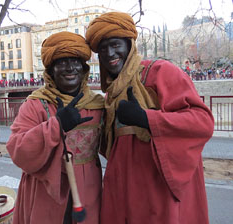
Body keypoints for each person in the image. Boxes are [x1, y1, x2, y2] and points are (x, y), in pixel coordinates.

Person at [85, 12, 214, 224]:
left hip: (157, 189)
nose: (109, 53)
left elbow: (202, 122)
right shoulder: (111, 93)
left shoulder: (160, 72)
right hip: (122, 189)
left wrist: (146, 119)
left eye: (115, 44)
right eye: (102, 49)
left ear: (129, 44)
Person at [6, 31, 104, 224]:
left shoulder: (98, 105)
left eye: (75, 61)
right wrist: (57, 125)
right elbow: (17, 149)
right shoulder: (35, 105)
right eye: (61, 62)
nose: (70, 68)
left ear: (84, 68)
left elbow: (115, 148)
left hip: (88, 191)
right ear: (51, 70)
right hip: (45, 194)